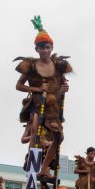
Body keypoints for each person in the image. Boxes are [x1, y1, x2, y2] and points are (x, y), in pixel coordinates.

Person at [15, 16, 72, 179]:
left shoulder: (59, 65)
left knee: (58, 137)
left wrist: (65, 88)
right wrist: (37, 89)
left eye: (47, 47)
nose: (45, 50)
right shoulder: (31, 65)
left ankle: (45, 167)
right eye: (41, 48)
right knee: (35, 131)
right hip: (38, 106)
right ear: (36, 49)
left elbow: (62, 83)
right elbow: (18, 86)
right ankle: (33, 164)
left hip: (54, 109)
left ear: (52, 47)